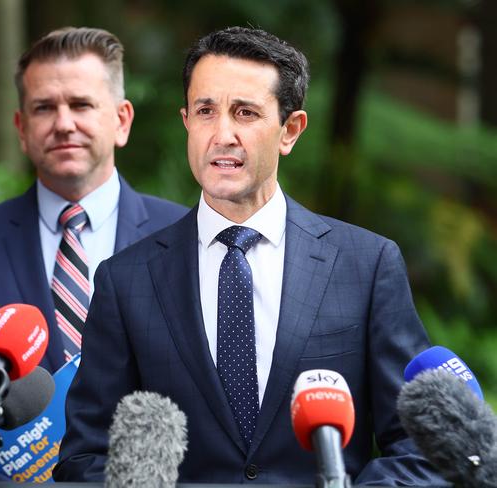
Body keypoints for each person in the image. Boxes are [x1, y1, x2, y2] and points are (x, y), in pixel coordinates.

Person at [54, 27, 445, 485]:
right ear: (186, 121)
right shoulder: (126, 281)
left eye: (245, 113)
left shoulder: (366, 264)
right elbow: (86, 458)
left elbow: (422, 444)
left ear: (290, 130)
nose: (222, 134)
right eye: (205, 111)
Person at [0, 27, 188, 488]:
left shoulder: (186, 238)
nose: (63, 123)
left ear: (121, 121)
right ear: (21, 128)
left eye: (81, 104)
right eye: (44, 107)